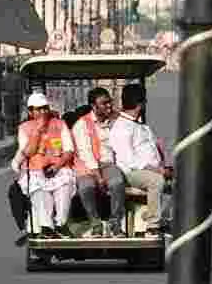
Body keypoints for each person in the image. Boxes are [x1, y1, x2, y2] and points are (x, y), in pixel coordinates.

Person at [109, 84, 171, 236]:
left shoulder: (141, 126)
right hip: (133, 173)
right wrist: (158, 170)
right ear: (140, 104)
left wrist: (164, 166)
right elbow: (130, 161)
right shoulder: (122, 127)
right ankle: (152, 226)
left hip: (153, 168)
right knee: (156, 181)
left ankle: (166, 220)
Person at [15, 94, 76, 237]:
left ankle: (61, 223)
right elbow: (28, 152)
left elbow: (69, 150)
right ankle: (46, 227)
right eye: (39, 109)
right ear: (31, 112)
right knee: (40, 192)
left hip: (58, 168)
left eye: (45, 108)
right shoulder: (24, 128)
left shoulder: (59, 124)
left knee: (65, 187)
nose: (43, 112)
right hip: (35, 171)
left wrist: (57, 166)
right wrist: (38, 131)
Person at [70, 87, 125, 237]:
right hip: (87, 167)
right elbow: (86, 153)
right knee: (86, 187)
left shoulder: (116, 120)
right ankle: (95, 223)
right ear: (94, 106)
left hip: (108, 163)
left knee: (117, 182)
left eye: (110, 102)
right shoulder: (81, 125)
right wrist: (98, 177)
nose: (109, 106)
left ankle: (115, 223)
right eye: (104, 103)